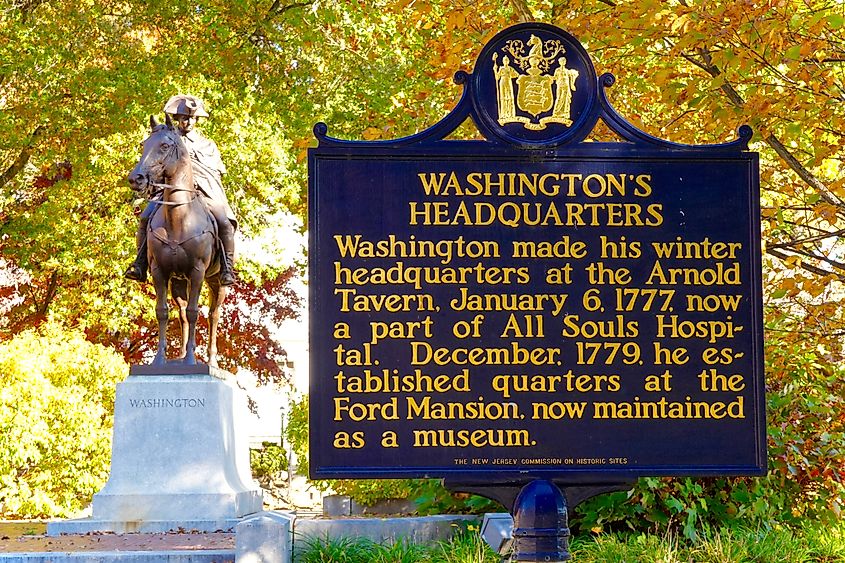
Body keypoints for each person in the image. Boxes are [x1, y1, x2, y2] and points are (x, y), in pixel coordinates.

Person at [125, 95, 237, 286]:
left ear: (197, 120)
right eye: (184, 117)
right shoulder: (165, 138)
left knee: (224, 221)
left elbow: (215, 173)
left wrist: (201, 183)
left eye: (192, 118)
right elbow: (155, 164)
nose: (188, 122)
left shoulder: (208, 145)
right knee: (145, 218)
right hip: (169, 191)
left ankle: (227, 268)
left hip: (203, 192)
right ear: (177, 118)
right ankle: (140, 263)